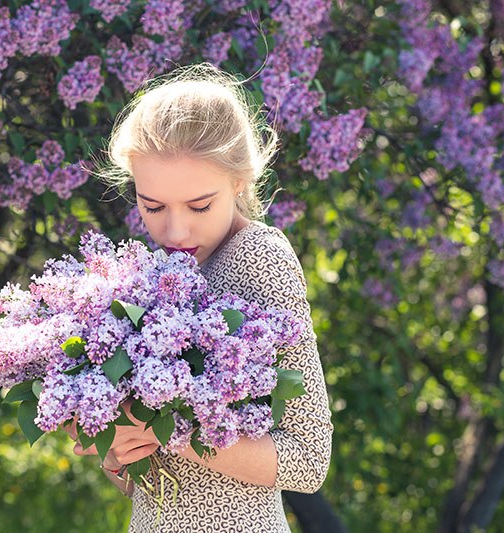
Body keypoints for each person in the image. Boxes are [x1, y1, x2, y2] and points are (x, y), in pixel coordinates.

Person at [66, 63, 334, 532]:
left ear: (240, 180)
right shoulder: (162, 272)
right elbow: (164, 481)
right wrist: (117, 452)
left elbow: (307, 460)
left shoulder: (259, 256)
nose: (174, 230)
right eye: (152, 207)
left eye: (199, 205)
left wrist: (166, 429)